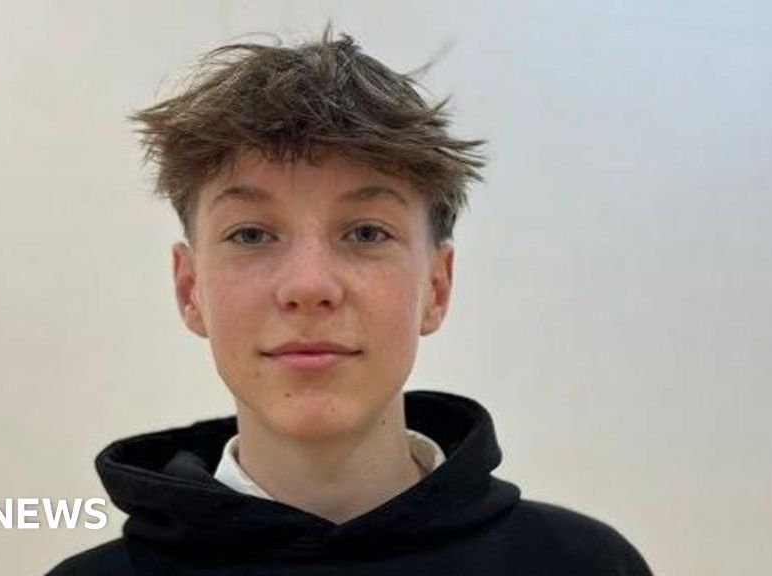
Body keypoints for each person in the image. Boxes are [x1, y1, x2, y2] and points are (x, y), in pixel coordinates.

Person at [47, 25, 652, 575]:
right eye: (251, 234)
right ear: (190, 289)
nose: (309, 286)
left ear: (436, 288)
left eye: (366, 233)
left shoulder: (585, 567)